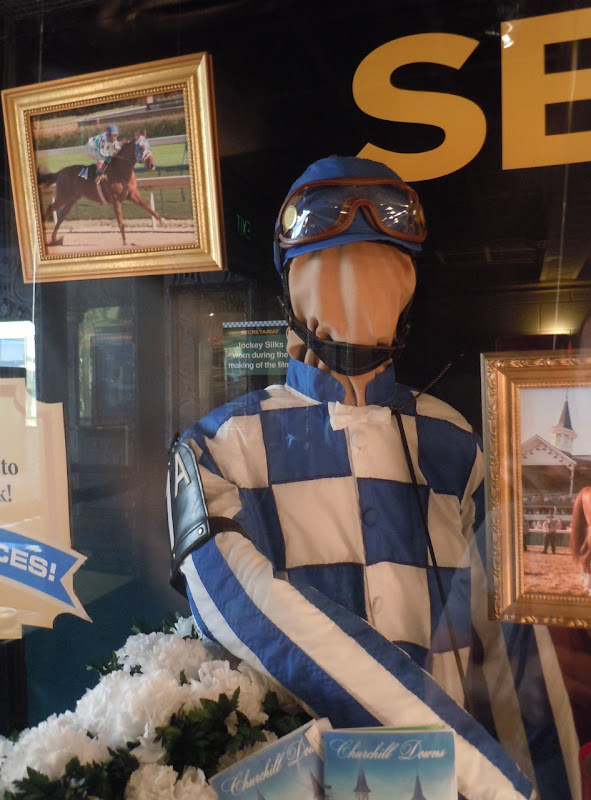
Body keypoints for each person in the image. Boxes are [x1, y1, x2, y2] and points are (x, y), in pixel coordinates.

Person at [167, 156, 580, 799]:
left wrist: (548, 784)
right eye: (328, 272)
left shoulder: (456, 441)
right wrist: (497, 785)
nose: (360, 293)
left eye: (386, 271)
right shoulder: (217, 447)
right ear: (291, 292)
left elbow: (509, 650)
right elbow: (258, 615)